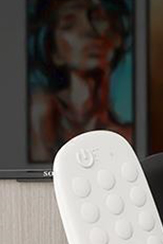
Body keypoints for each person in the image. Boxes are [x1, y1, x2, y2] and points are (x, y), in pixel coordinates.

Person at [29, 0, 132, 162]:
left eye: (99, 19)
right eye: (69, 25)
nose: (90, 32)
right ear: (54, 51)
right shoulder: (41, 110)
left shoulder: (127, 136)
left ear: (117, 37)